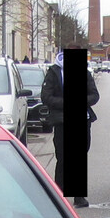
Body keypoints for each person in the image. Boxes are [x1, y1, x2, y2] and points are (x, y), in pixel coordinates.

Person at [42, 46, 99, 207]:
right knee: (63, 156)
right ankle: (59, 195)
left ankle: (78, 197)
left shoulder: (85, 73)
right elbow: (46, 96)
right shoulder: (54, 72)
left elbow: (94, 95)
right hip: (61, 120)